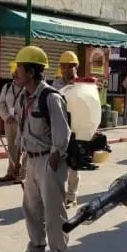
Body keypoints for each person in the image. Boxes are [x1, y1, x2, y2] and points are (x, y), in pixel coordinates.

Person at [7, 46, 73, 252]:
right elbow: (23, 128)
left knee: (54, 212)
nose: (16, 72)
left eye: (20, 68)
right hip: (32, 159)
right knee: (31, 208)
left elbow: (62, 132)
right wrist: (21, 157)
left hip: (49, 159)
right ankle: (36, 250)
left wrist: (55, 157)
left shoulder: (51, 97)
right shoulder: (24, 96)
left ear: (32, 71)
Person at [51, 50, 82, 208]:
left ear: (76, 67)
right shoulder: (56, 85)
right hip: (60, 129)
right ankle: (59, 195)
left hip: (75, 129)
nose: (67, 69)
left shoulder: (82, 85)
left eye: (71, 66)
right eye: (64, 66)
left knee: (73, 167)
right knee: (58, 165)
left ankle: (71, 196)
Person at [0, 61, 25, 184]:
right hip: (9, 122)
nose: (15, 77)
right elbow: (1, 103)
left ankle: (22, 174)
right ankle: (11, 172)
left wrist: (19, 117)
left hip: (22, 121)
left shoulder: (27, 88)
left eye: (17, 75)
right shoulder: (7, 87)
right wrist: (6, 116)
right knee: (11, 147)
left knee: (22, 147)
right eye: (14, 75)